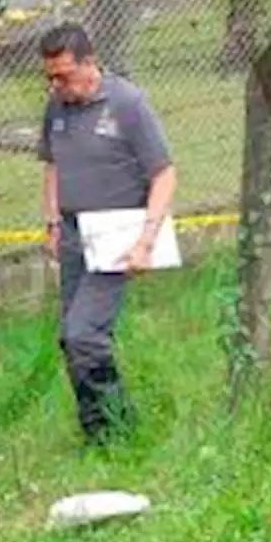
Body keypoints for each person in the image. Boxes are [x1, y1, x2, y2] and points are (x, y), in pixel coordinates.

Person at [37, 24, 177, 445]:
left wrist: (146, 241)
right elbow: (52, 165)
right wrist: (51, 223)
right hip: (74, 234)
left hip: (118, 233)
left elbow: (164, 173)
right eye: (50, 77)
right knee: (71, 338)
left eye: (63, 75)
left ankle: (118, 428)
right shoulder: (56, 106)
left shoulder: (128, 104)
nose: (56, 85)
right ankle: (99, 432)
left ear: (89, 63)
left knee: (84, 334)